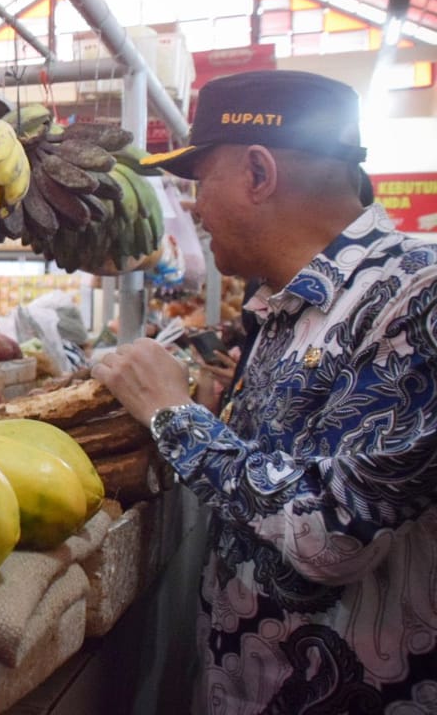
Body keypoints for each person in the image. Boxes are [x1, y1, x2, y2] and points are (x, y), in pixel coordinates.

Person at [90, 70, 437, 713]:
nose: (195, 209)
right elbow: (280, 466)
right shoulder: (290, 306)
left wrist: (173, 413)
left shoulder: (416, 299)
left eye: (200, 182)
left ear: (257, 173)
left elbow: (334, 531)